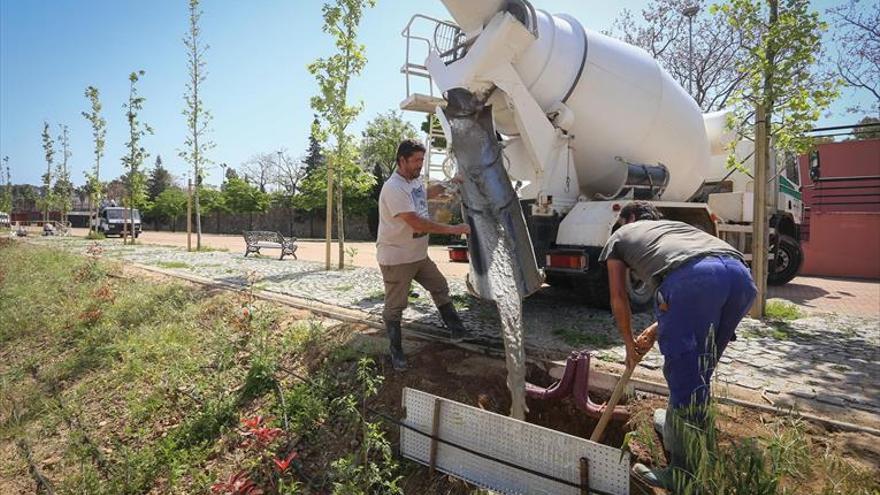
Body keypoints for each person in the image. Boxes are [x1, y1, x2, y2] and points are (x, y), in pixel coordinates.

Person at [598, 200, 757, 489]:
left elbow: (619, 298)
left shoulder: (620, 236)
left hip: (694, 280)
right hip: (740, 277)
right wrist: (655, 330)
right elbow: (706, 272)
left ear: (629, 217)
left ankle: (684, 475)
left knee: (685, 374)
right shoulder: (675, 229)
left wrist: (627, 344)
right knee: (698, 370)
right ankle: (682, 433)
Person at [377, 139, 471, 370]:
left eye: (422, 159)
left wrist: (449, 183)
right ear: (402, 160)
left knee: (439, 285)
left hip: (418, 255)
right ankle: (396, 351)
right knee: (396, 305)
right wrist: (454, 229)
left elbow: (423, 193)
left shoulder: (414, 180)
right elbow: (418, 223)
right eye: (416, 160)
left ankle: (456, 328)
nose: (421, 164)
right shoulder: (393, 188)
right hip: (397, 258)